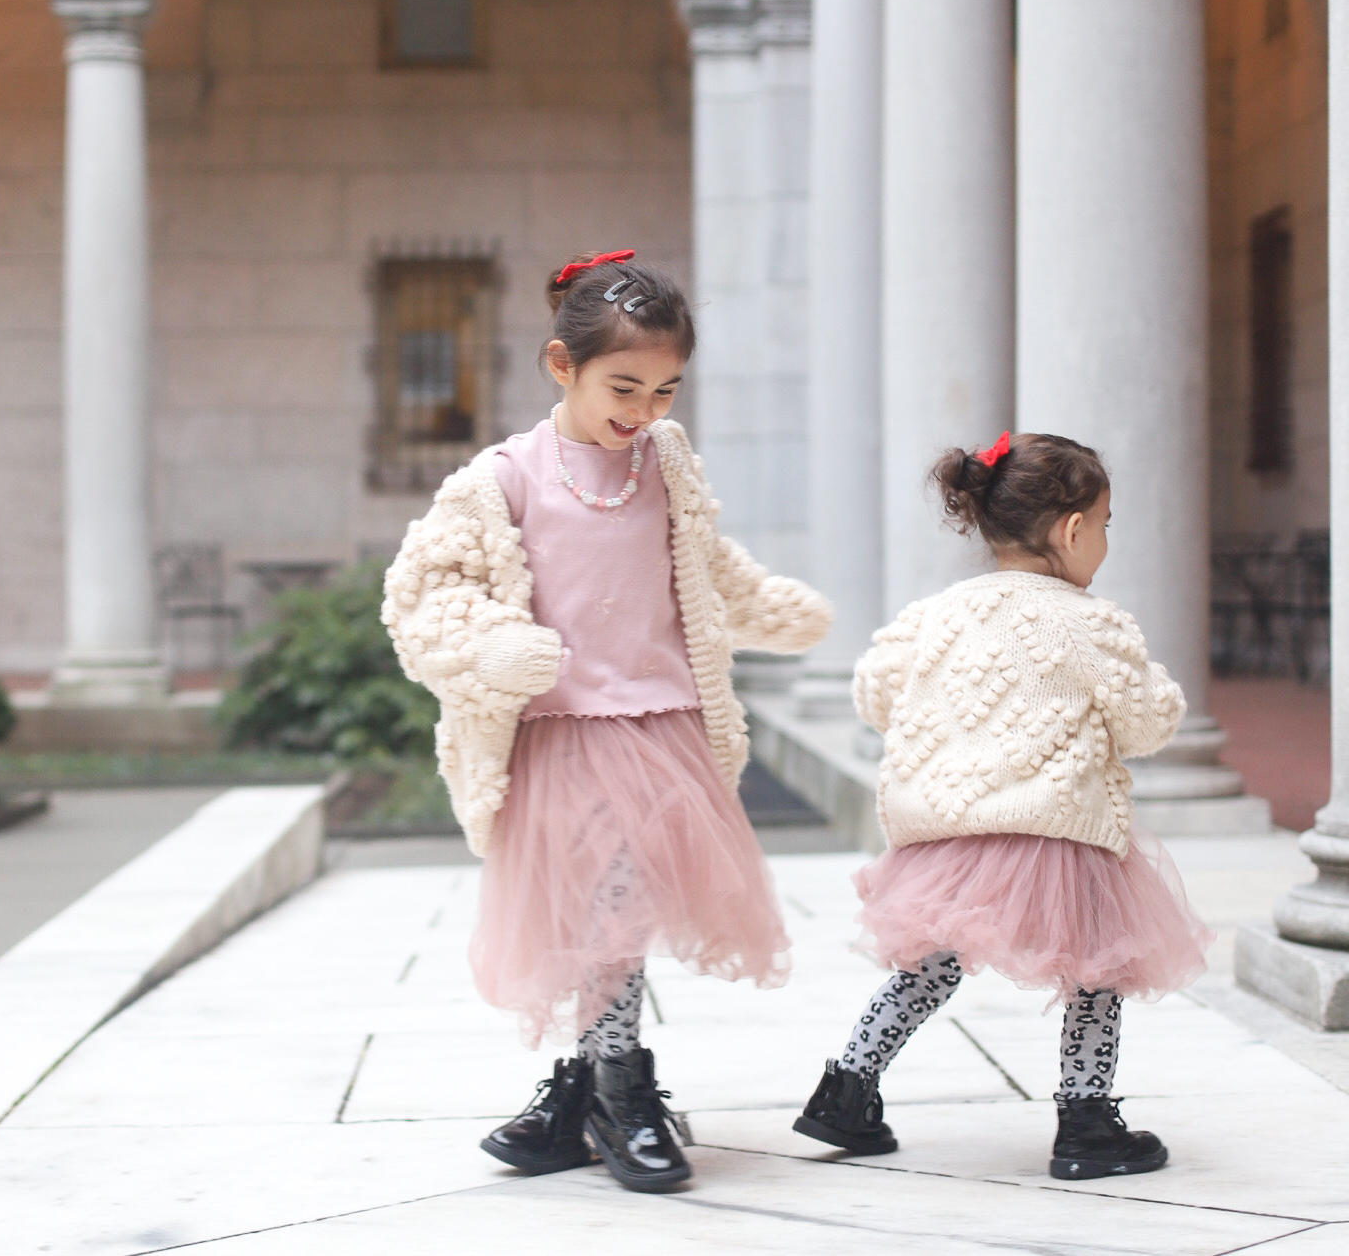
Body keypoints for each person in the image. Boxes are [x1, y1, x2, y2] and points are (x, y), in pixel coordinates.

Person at [383, 250, 831, 1193]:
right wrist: (492, 649)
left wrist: (766, 605)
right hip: (565, 736)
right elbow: (428, 600)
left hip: (663, 729)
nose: (645, 408)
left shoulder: (664, 462)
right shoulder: (502, 478)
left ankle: (578, 1093)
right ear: (562, 366)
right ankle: (621, 1091)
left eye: (667, 389)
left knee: (614, 912)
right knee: (605, 909)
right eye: (623, 386)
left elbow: (700, 561)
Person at [792, 431, 1212, 1181]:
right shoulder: (1091, 624)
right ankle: (1086, 1122)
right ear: (1073, 528)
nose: (1105, 540)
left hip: (950, 835)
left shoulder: (934, 615)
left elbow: (872, 691)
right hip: (1056, 832)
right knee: (1096, 967)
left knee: (929, 964)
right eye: (1106, 524)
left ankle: (846, 1088)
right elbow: (1148, 722)